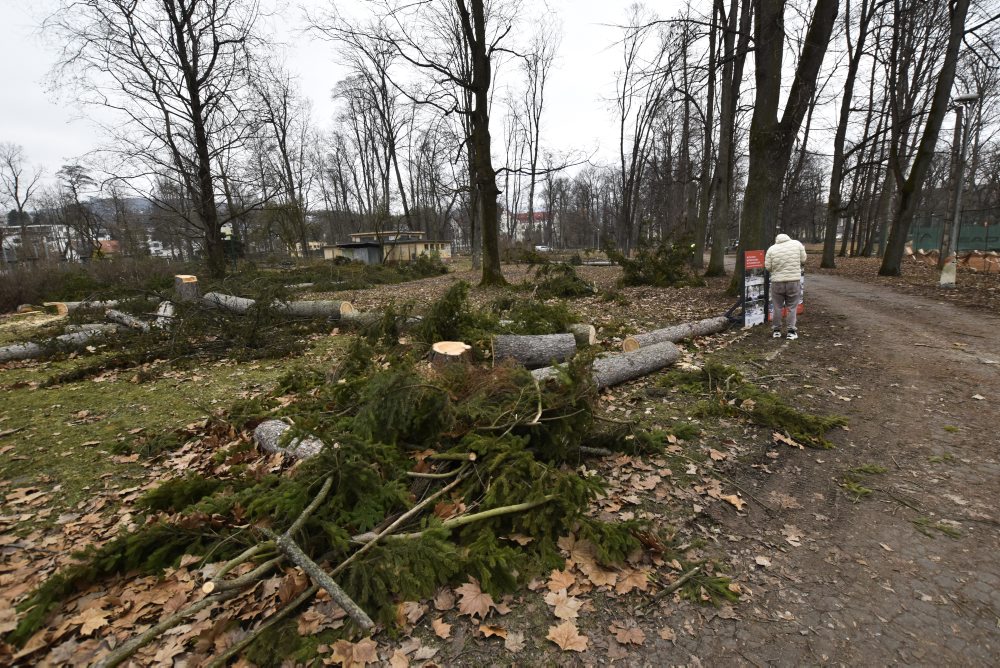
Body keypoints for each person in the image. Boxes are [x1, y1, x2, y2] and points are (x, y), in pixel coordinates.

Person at [765, 233, 807, 340]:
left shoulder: (771, 249)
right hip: (793, 281)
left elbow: (768, 267)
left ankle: (776, 331)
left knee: (777, 307)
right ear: (788, 238)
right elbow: (803, 260)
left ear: (776, 240)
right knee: (792, 307)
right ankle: (791, 331)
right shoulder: (797, 244)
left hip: (777, 282)